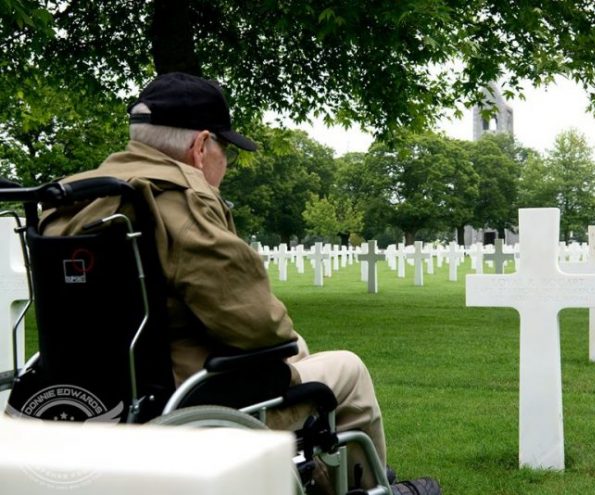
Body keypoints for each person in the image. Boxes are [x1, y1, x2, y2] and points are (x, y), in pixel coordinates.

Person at [40, 72, 441, 495]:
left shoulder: (74, 200)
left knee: (298, 349)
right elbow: (257, 325)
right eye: (225, 150)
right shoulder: (176, 198)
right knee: (345, 367)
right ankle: (365, 486)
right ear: (200, 146)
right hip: (189, 397)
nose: (225, 163)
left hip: (95, 389)